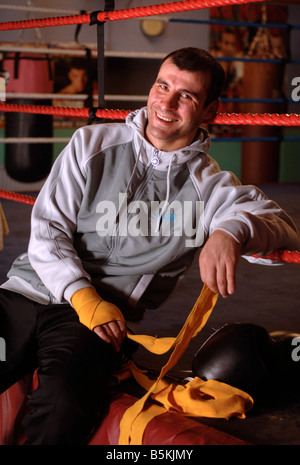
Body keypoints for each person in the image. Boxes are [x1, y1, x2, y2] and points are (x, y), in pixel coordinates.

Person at [0, 47, 299, 445]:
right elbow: (48, 228)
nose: (167, 103)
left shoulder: (209, 186)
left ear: (210, 110)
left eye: (187, 96)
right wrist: (81, 293)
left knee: (64, 406)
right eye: (163, 85)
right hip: (27, 291)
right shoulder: (91, 143)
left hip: (100, 322)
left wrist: (232, 231)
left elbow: (285, 230)